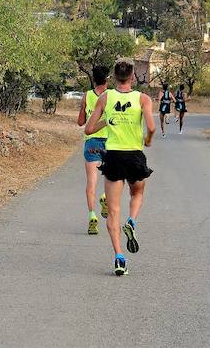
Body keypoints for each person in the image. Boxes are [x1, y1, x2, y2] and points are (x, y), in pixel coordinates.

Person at [85, 58, 156, 276]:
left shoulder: (105, 98)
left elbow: (88, 129)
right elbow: (152, 127)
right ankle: (132, 221)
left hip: (113, 156)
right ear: (133, 76)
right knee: (137, 193)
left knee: (113, 210)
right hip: (134, 155)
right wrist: (148, 140)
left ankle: (119, 257)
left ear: (115, 77)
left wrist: (106, 121)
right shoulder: (143, 99)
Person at [77, 64, 110, 235]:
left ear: (94, 78)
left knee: (91, 181)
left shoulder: (87, 96)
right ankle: (105, 196)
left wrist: (84, 107)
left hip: (91, 142)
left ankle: (92, 215)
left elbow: (81, 122)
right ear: (107, 79)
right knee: (110, 177)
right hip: (110, 142)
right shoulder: (110, 96)